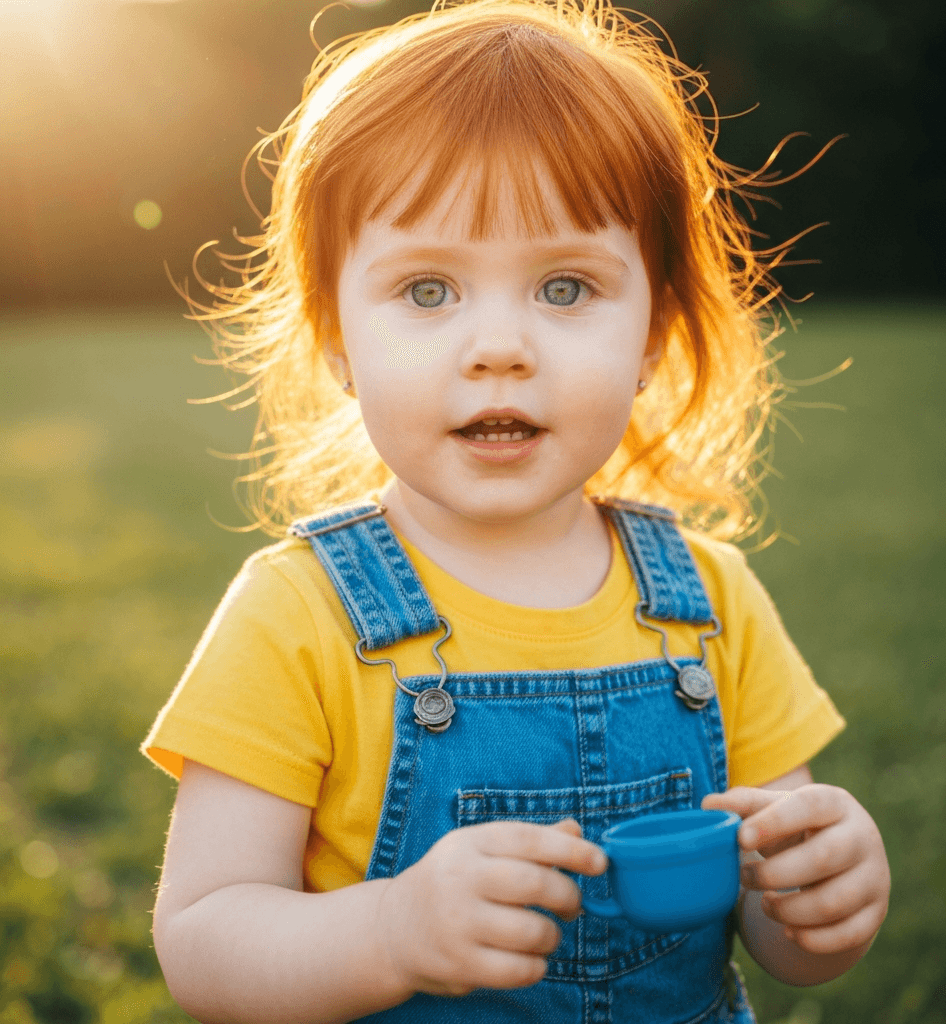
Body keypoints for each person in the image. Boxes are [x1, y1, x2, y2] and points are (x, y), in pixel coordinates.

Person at [141, 1, 890, 1021]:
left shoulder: (712, 605)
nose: (500, 347)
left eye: (566, 288)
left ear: (654, 334)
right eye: (427, 290)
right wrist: (389, 930)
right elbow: (202, 940)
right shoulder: (296, 617)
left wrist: (814, 900)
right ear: (335, 339)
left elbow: (774, 931)